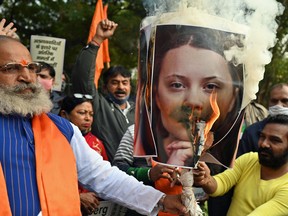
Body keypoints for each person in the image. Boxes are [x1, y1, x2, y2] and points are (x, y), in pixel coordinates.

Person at [0, 27, 188, 216]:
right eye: (11, 68)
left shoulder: (62, 129)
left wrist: (161, 200)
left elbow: (103, 177)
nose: (26, 77)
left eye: (31, 68)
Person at [134, 24, 246, 216]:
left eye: (211, 86)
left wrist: (204, 180)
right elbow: (115, 174)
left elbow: (221, 188)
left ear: (234, 97)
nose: (193, 101)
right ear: (154, 93)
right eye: (177, 84)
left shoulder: (224, 150)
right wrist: (149, 174)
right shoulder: (134, 135)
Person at [193, 114, 288, 216]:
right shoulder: (249, 159)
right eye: (262, 137)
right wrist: (206, 180)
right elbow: (222, 182)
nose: (264, 144)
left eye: (275, 140)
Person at [72, 24, 135, 162]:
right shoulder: (99, 106)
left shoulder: (140, 112)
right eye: (114, 82)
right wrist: (97, 40)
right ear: (105, 87)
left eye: (125, 83)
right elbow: (83, 78)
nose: (121, 87)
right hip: (108, 178)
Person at [113, 124, 183, 216]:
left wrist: (187, 178)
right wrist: (148, 174)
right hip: (142, 209)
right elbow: (117, 169)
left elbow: (197, 174)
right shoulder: (136, 131)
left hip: (180, 208)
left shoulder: (186, 133)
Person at [59, 95, 108, 215]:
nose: (88, 118)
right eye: (82, 113)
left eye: (91, 114)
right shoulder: (54, 141)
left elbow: (105, 176)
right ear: (64, 114)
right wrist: (77, 196)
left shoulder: (97, 143)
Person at [237, 83, 288, 157]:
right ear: (268, 102)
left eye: (285, 101)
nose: (278, 105)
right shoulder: (251, 132)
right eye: (274, 101)